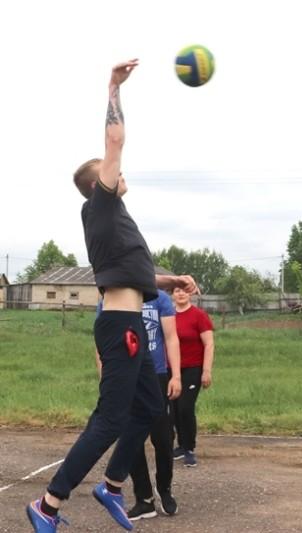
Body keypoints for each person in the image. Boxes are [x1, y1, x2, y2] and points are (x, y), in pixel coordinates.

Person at [26, 59, 199, 533]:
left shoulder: (117, 224)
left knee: (146, 410)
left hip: (131, 324)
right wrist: (113, 88)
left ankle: (112, 486)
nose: (121, 173)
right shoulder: (101, 203)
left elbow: (137, 274)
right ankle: (48, 503)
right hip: (120, 328)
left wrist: (172, 280)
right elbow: (116, 140)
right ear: (99, 179)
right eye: (111, 170)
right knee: (109, 419)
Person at [97, 289, 183, 520]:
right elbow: (101, 343)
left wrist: (176, 376)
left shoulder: (160, 299)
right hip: (124, 375)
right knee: (131, 438)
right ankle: (144, 499)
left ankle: (164, 489)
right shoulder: (110, 300)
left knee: (163, 438)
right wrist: (105, 377)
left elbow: (171, 337)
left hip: (156, 375)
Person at [171, 287, 214, 468]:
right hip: (171, 370)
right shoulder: (168, 315)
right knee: (173, 411)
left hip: (192, 369)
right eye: (177, 290)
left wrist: (206, 370)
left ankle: (189, 448)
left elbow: (209, 343)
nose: (181, 294)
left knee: (185, 408)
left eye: (184, 291)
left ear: (191, 294)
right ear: (172, 294)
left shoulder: (199, 315)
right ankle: (180, 445)